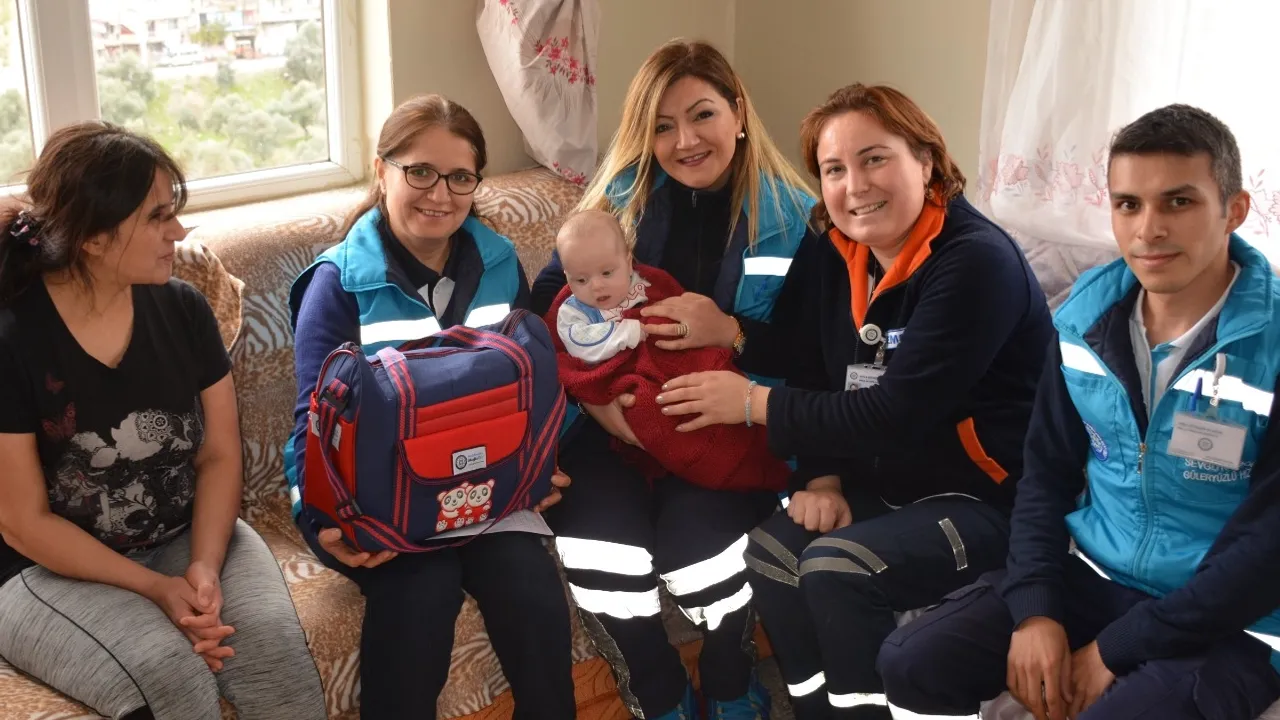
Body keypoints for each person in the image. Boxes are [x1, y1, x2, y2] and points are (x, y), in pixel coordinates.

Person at [655, 83, 1054, 719]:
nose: (855, 186)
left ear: (926, 161)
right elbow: (808, 359)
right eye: (834, 169)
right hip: (887, 483)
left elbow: (893, 413)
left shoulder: (975, 263)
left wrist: (753, 403)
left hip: (988, 497)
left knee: (837, 567)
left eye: (874, 159)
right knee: (772, 555)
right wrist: (821, 475)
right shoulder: (838, 246)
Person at [877, 105, 1280, 720]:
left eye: (1178, 202)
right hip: (1096, 575)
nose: (1149, 229)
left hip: (1237, 620)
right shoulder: (1081, 325)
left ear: (1235, 210)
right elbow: (1044, 477)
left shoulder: (1270, 347)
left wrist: (1117, 648)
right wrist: (1035, 608)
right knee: (913, 659)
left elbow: (1265, 553)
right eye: (1128, 205)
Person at [0, 123, 326, 720]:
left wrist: (203, 567)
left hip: (185, 534)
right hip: (47, 569)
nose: (178, 231)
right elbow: (23, 523)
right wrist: (156, 589)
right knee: (169, 677)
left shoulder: (184, 308)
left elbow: (219, 455)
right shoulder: (13, 339)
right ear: (93, 237)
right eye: (157, 217)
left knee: (277, 661)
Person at [531, 39, 817, 720]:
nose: (684, 141)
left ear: (738, 113)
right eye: (662, 126)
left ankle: (729, 677)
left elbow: (816, 353)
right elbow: (545, 308)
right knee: (602, 554)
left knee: (703, 560)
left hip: (723, 430)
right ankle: (659, 692)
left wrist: (733, 332)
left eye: (702, 115)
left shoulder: (795, 217)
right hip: (611, 431)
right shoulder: (618, 199)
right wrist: (594, 403)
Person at [285, 94, 576, 720]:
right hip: (382, 498)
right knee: (421, 589)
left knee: (530, 588)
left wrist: (542, 465)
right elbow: (312, 423)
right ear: (381, 170)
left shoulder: (498, 261)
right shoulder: (338, 283)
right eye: (420, 171)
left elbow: (533, 379)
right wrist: (320, 521)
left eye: (460, 177)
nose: (440, 194)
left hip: (485, 483)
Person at [549, 209, 789, 493]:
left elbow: (677, 308)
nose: (596, 286)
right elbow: (572, 345)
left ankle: (758, 464)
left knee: (705, 371)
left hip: (703, 378)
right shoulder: (573, 310)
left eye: (607, 273)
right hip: (621, 396)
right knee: (649, 410)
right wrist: (627, 336)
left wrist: (728, 333)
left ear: (628, 261)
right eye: (581, 280)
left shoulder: (649, 283)